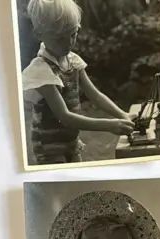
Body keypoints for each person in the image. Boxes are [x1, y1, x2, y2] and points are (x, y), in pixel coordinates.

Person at [22, 0, 136, 165]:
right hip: (49, 147)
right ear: (40, 34)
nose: (68, 43)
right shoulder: (42, 71)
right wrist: (109, 125)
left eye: (73, 34)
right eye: (60, 38)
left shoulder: (73, 62)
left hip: (71, 141)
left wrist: (122, 115)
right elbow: (65, 117)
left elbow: (95, 95)